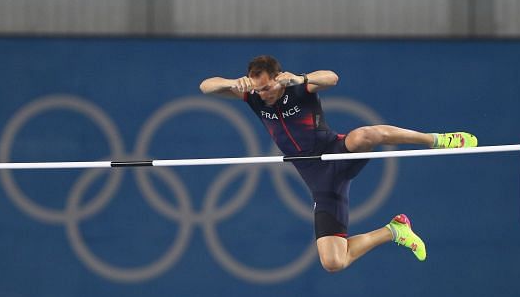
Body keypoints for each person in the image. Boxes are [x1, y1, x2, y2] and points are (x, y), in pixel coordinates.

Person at [199, 55, 477, 273]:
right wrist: (233, 83)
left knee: (368, 135)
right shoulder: (254, 97)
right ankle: (394, 231)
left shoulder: (297, 87)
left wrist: (300, 78)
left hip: (337, 151)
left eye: (267, 87)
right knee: (333, 262)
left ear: (278, 79)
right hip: (319, 179)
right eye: (257, 89)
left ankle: (438, 140)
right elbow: (206, 87)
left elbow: (332, 77)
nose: (263, 94)